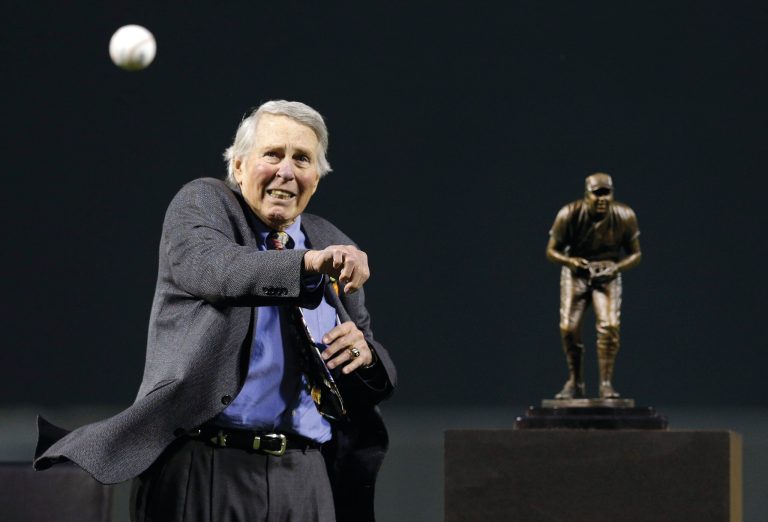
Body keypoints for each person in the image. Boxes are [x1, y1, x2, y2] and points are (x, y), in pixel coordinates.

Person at [34, 100, 396, 522]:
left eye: (302, 159)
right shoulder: (205, 205)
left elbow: (371, 356)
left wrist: (365, 357)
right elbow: (218, 270)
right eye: (272, 154)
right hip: (207, 465)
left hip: (305, 473)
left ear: (316, 177)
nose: (287, 171)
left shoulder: (331, 239)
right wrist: (305, 264)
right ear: (239, 166)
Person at [546, 173, 641, 400]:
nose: (602, 199)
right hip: (576, 273)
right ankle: (575, 381)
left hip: (607, 275)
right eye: (596, 193)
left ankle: (606, 383)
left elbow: (636, 253)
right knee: (569, 328)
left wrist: (615, 268)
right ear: (586, 194)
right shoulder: (569, 214)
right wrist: (570, 261)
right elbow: (551, 251)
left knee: (609, 326)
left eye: (606, 193)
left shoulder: (625, 215)